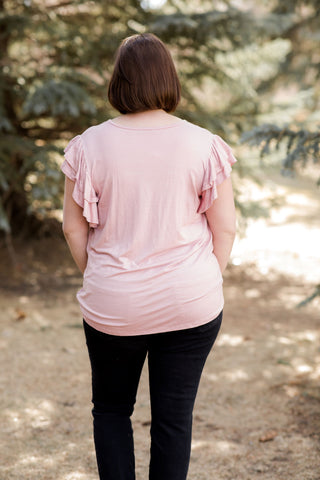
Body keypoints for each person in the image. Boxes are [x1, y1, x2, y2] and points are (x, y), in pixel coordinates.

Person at [61, 33, 236, 480]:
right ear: (168, 78)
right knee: (174, 420)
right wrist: (197, 280)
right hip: (190, 301)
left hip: (114, 303)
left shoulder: (88, 145)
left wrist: (101, 275)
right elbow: (226, 228)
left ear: (119, 81)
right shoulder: (203, 143)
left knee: (112, 411)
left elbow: (72, 225)